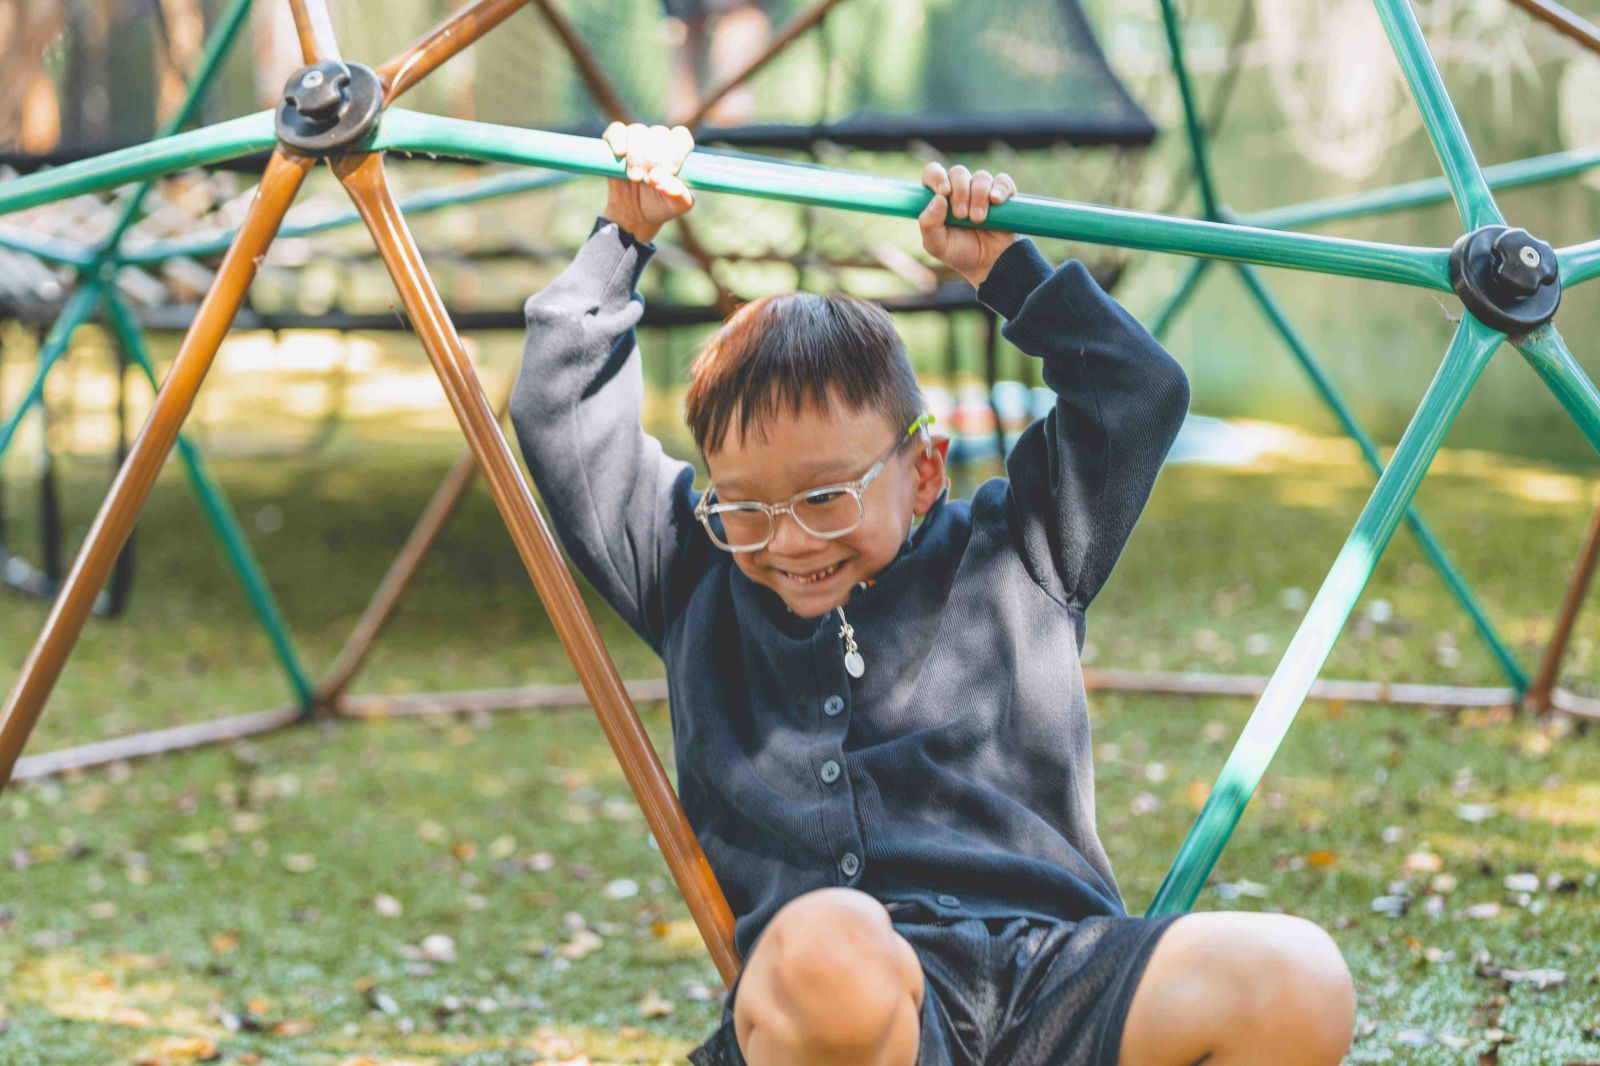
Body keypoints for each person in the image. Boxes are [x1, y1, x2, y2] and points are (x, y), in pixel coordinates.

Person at [511, 120, 1355, 1066]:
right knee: (831, 942)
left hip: (1053, 975)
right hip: (852, 1013)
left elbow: (1137, 393)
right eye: (744, 505)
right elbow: (559, 412)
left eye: (826, 497)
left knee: (1295, 973)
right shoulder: (693, 570)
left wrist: (1008, 272)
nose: (787, 540)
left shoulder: (1021, 548)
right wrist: (624, 235)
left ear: (922, 471)